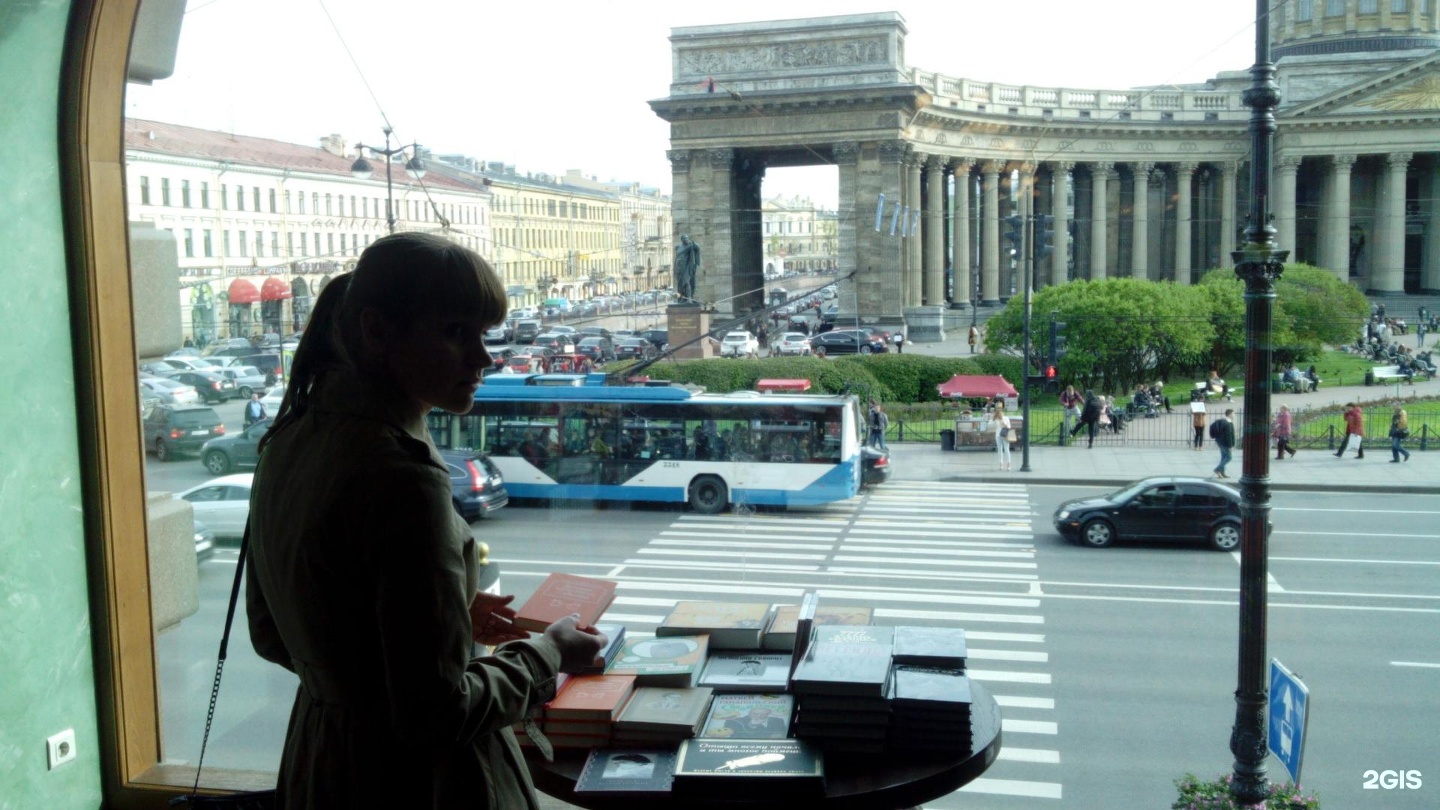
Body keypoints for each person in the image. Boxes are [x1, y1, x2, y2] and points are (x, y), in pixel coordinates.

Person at [245, 232, 606, 810]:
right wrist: (550, 651)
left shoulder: (287, 439)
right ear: (377, 330)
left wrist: (444, 625)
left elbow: (272, 632)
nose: (484, 358)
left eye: (483, 334)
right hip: (419, 785)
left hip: (321, 764)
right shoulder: (402, 476)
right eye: (455, 332)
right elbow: (436, 714)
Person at [674, 234, 700, 302]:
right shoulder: (678, 247)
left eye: (687, 238)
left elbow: (697, 248)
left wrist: (694, 244)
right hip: (679, 267)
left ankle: (689, 298)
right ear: (682, 240)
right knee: (680, 284)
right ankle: (682, 298)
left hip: (687, 267)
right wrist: (675, 269)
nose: (686, 240)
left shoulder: (690, 246)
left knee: (686, 282)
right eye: (684, 239)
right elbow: (676, 258)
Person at [987, 402, 1013, 471]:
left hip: (1004, 435)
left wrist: (1003, 423)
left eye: (1000, 408)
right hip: (998, 435)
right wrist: (992, 418)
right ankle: (1000, 463)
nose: (999, 410)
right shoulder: (996, 418)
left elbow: (1009, 427)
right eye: (998, 408)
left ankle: (1009, 463)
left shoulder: (1006, 418)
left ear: (1002, 409)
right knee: (999, 449)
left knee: (1006, 449)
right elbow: (989, 424)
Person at [1211, 408, 1236, 479]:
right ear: (1230, 414)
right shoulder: (1228, 423)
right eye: (1233, 414)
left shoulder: (1223, 421)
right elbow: (1229, 435)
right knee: (1229, 457)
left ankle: (1222, 473)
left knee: (1223, 457)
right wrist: (1230, 446)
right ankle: (1217, 469)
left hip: (1220, 442)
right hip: (1225, 443)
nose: (1234, 415)